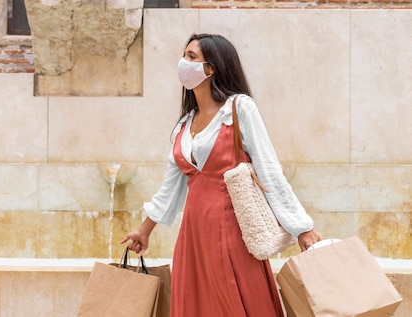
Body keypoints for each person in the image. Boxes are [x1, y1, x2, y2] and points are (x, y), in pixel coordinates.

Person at [120, 33, 322, 316]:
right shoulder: (185, 123)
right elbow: (170, 188)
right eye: (184, 55)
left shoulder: (239, 108)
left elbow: (269, 170)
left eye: (191, 57)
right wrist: (144, 230)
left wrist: (302, 227)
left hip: (232, 230)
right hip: (193, 234)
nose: (183, 62)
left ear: (211, 67)